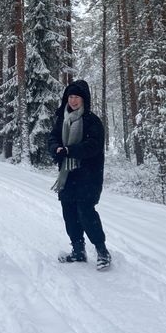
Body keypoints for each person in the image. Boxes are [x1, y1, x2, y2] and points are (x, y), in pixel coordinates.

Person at [48, 79, 111, 271]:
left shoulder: (92, 121)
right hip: (68, 175)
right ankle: (78, 250)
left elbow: (93, 146)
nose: (73, 100)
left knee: (86, 213)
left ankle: (102, 252)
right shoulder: (62, 118)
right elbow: (52, 138)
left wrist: (69, 150)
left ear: (84, 99)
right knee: (69, 213)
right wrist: (55, 148)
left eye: (77, 97)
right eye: (70, 97)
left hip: (88, 175)